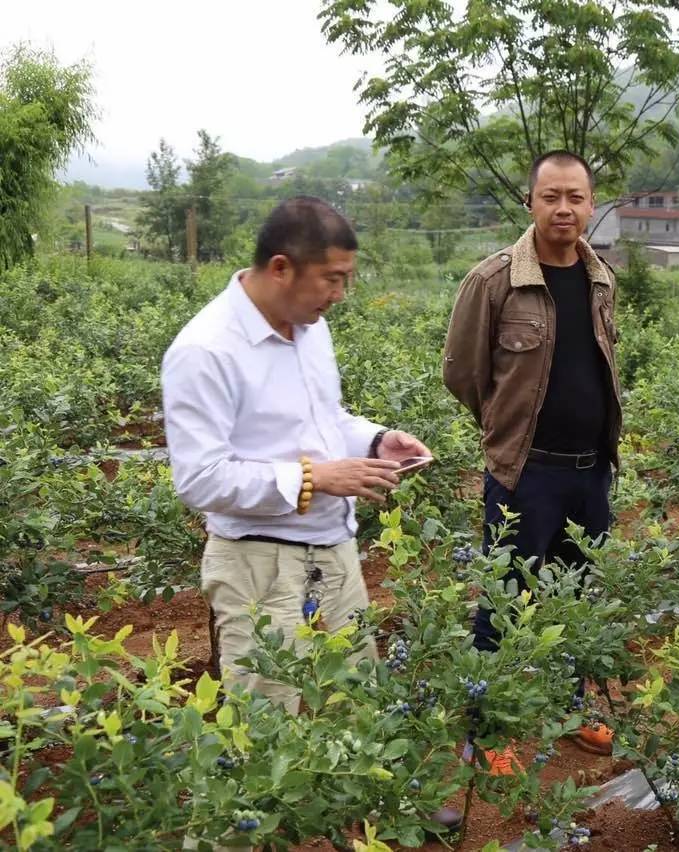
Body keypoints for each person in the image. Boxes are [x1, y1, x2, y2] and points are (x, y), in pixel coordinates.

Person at [162, 196, 461, 831]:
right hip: (258, 561)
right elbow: (199, 477)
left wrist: (376, 441)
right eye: (333, 278)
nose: (341, 294)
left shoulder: (311, 329)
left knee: (358, 692)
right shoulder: (206, 350)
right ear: (281, 268)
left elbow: (324, 423)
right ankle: (246, 836)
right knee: (263, 717)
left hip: (331, 546)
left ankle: (382, 819)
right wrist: (315, 477)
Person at [443, 151, 622, 762]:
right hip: (526, 473)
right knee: (504, 599)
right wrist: (504, 432)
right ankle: (485, 730)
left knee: (574, 598)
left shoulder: (602, 279)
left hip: (590, 472)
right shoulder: (492, 281)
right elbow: (464, 374)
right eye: (551, 196)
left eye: (576, 196)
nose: (564, 208)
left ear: (591, 204)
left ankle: (570, 709)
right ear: (531, 203)